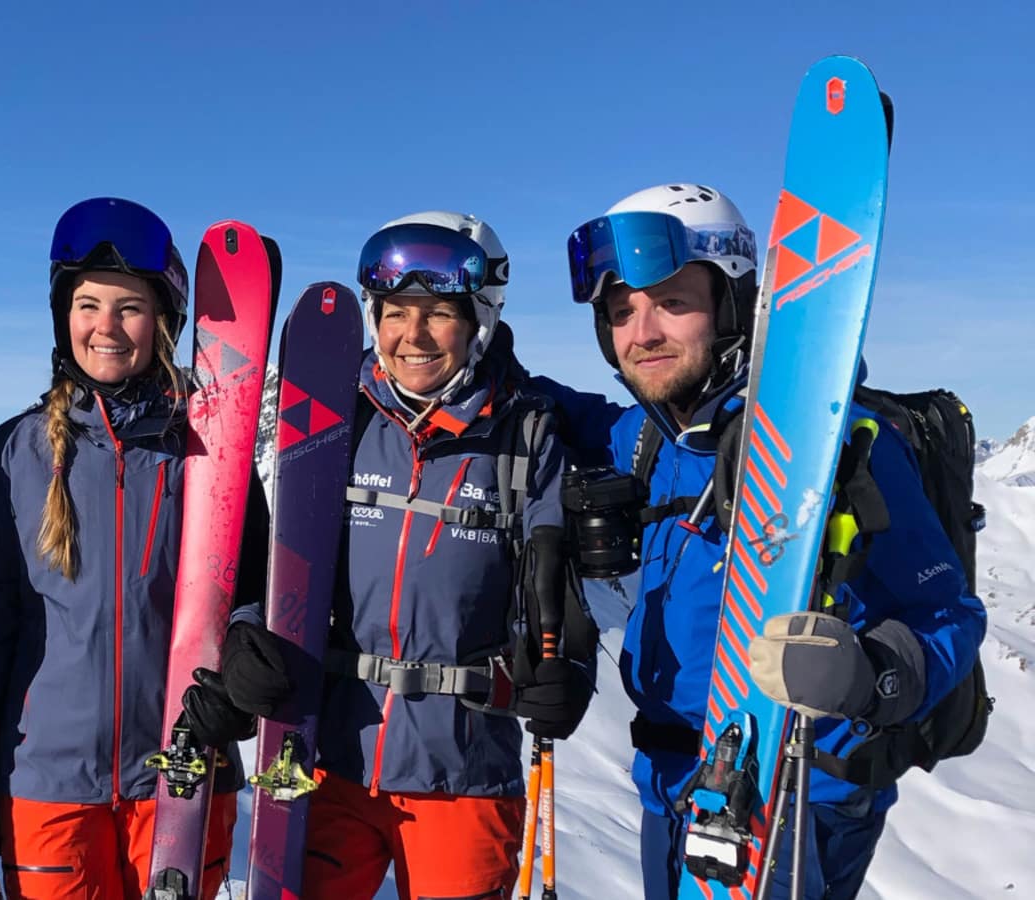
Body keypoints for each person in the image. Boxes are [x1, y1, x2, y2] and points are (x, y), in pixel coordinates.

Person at [538, 182, 986, 899]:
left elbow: (952, 614)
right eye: (621, 311)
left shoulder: (840, 446)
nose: (642, 331)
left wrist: (873, 674)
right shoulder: (640, 438)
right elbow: (544, 408)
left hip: (802, 794)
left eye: (672, 302)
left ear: (734, 302)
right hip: (670, 785)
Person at [0, 197, 269, 900]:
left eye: (128, 307)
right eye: (87, 304)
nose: (105, 327)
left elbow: (252, 589)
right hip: (46, 784)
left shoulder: (210, 450)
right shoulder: (16, 453)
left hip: (183, 772)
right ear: (61, 317)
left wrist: (242, 665)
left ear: (163, 322)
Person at [295, 211, 597, 900]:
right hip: (335, 763)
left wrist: (570, 668)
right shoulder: (340, 418)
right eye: (396, 312)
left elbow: (559, 576)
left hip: (464, 772)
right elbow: (284, 562)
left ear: (480, 318)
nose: (413, 335)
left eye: (437, 314)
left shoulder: (524, 435)